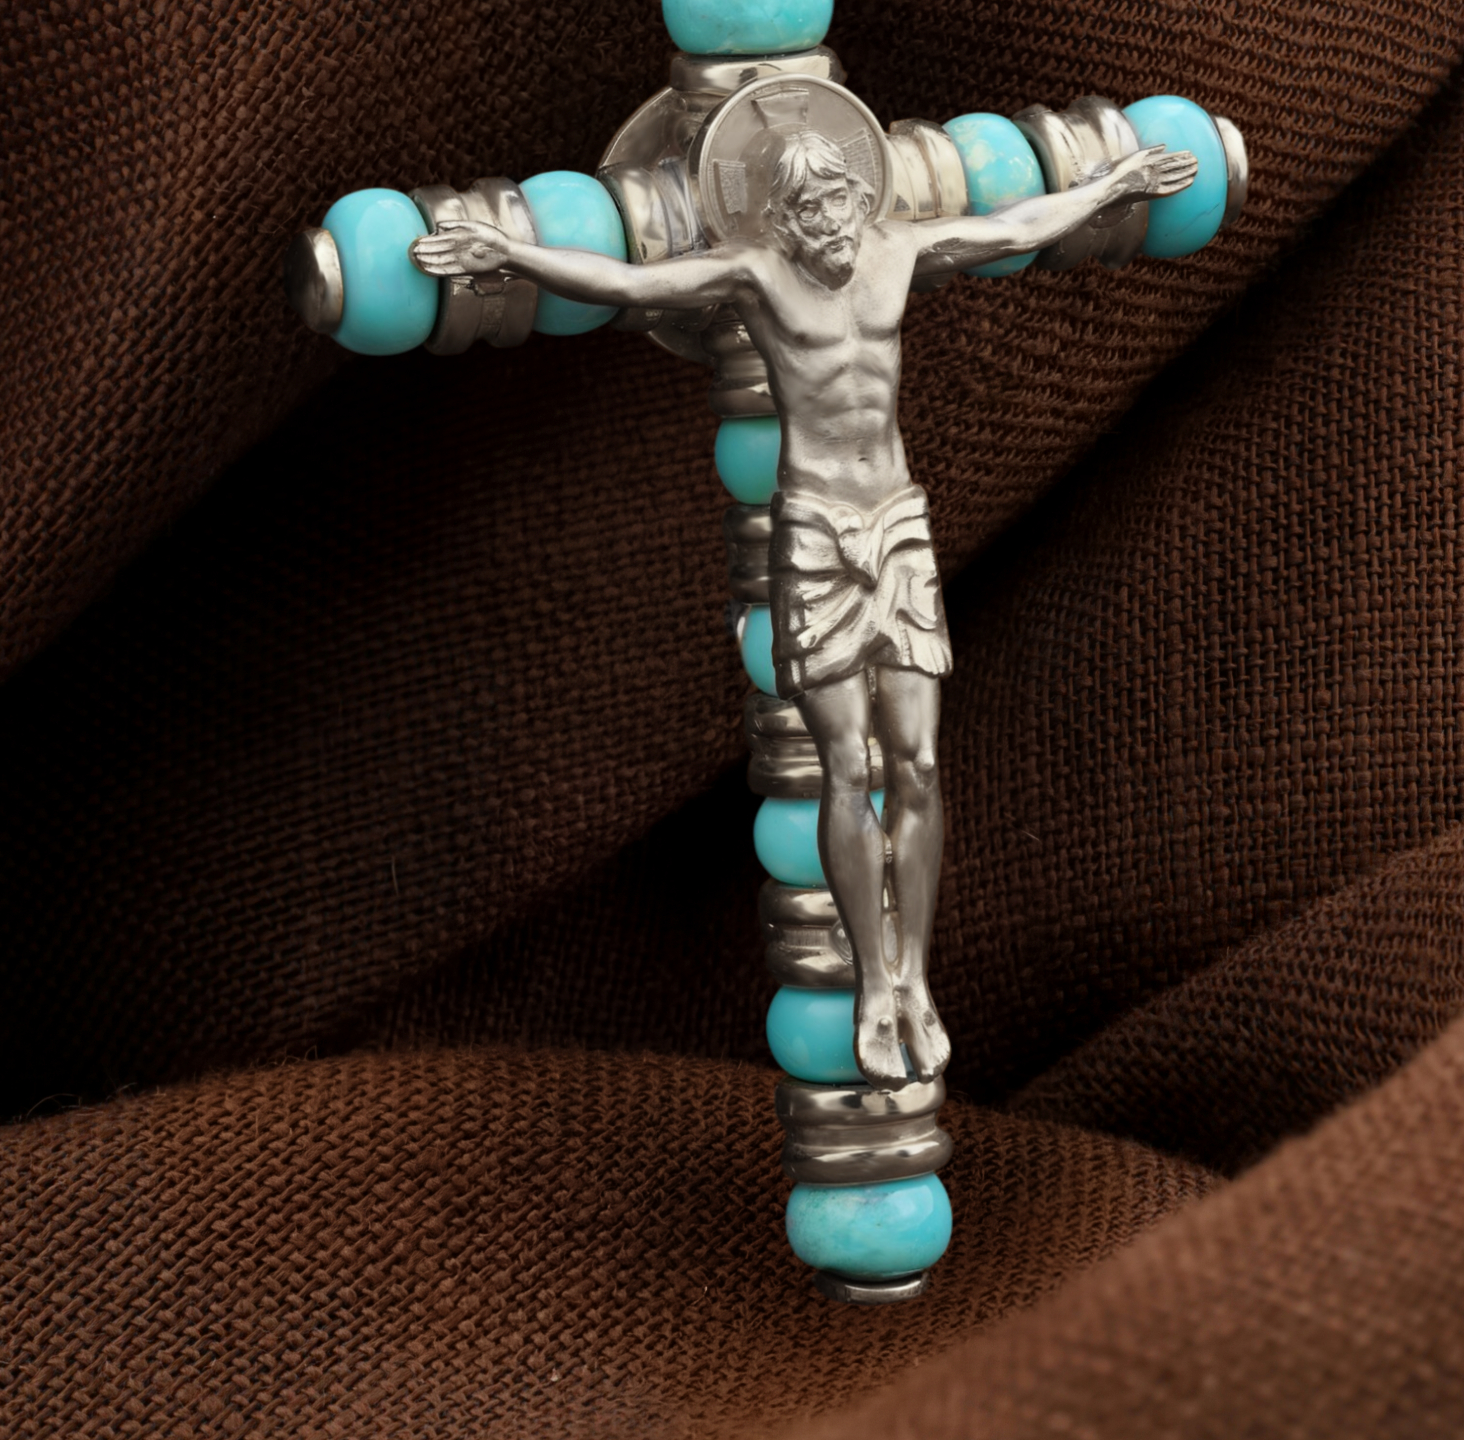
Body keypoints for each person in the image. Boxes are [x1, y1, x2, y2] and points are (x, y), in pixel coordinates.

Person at [413, 127, 1195, 1083]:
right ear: (783, 218)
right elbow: (626, 281)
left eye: (836, 201)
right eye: (806, 208)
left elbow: (1015, 226)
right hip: (819, 534)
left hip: (897, 527)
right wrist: (509, 251)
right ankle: (873, 986)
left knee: (918, 762)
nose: (826, 221)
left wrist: (1113, 184)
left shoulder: (900, 248)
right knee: (847, 765)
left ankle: (914, 977)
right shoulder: (758, 274)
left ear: (860, 200)